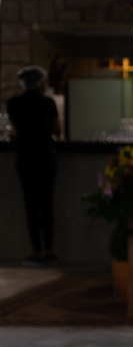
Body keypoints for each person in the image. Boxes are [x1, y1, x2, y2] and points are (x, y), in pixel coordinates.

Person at [7, 65, 61, 265]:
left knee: (30, 205)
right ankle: (49, 248)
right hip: (46, 156)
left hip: (25, 157)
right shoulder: (48, 103)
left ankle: (36, 251)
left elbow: (14, 127)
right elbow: (58, 131)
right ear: (40, 83)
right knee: (46, 204)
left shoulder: (14, 103)